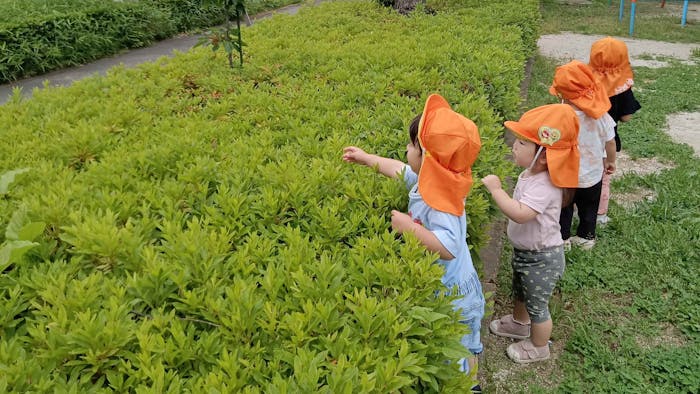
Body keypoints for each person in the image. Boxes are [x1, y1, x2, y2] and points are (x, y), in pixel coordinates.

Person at [342, 94, 484, 389]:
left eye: (411, 146)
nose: (406, 149)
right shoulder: (436, 179)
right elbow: (399, 170)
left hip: (453, 296)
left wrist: (408, 228)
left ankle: (466, 386)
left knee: (454, 355)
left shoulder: (442, 201)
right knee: (464, 350)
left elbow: (448, 247)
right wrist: (367, 159)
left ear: (428, 159)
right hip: (458, 288)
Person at [482, 104, 580, 363]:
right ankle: (519, 323)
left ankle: (539, 345)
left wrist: (496, 191)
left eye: (522, 143)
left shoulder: (546, 185)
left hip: (542, 258)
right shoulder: (531, 174)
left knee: (538, 305)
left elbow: (521, 213)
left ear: (545, 156)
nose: (514, 146)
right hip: (526, 252)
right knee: (521, 292)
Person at [550, 60, 617, 250]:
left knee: (564, 207)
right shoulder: (601, 115)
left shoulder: (559, 115)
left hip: (565, 175)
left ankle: (563, 239)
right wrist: (610, 161)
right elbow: (610, 141)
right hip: (592, 175)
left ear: (562, 95)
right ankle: (586, 237)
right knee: (589, 207)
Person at [589, 37, 642, 224]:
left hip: (582, 139)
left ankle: (577, 207)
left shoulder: (585, 82)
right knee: (603, 178)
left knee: (581, 174)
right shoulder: (623, 88)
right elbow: (627, 117)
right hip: (606, 141)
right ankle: (600, 215)